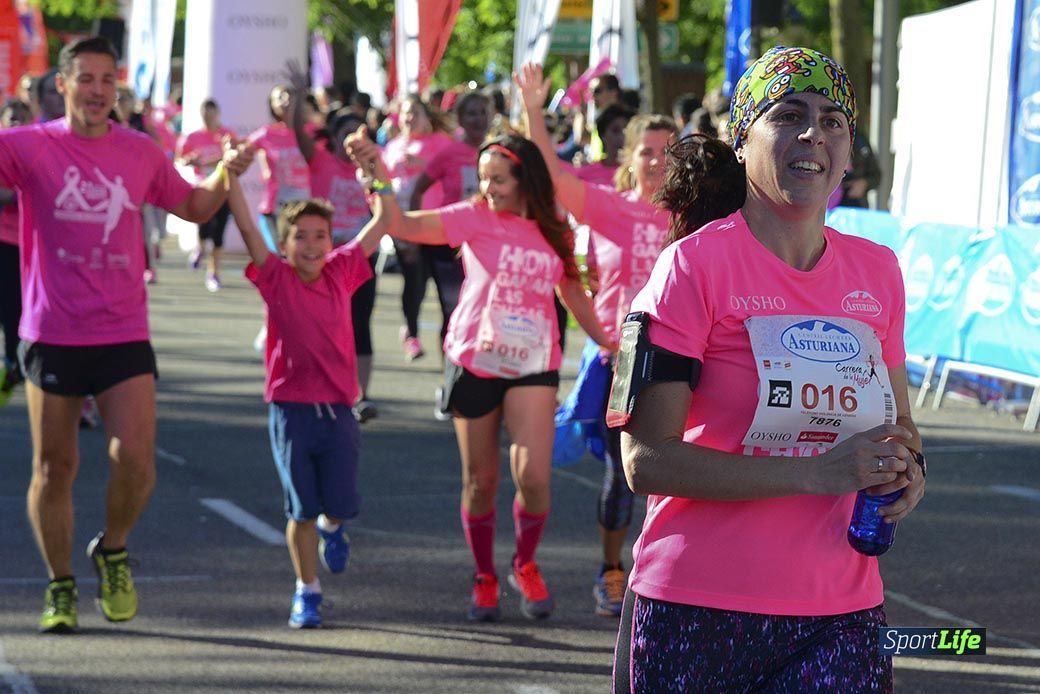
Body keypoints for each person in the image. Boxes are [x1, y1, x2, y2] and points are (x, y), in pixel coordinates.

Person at [609, 47, 927, 691]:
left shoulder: (877, 271)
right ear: (743, 135)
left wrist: (906, 472)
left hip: (843, 612)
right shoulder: (689, 268)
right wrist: (816, 473)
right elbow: (644, 461)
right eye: (789, 114)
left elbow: (903, 429)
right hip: (697, 609)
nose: (814, 133)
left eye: (834, 120)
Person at [0, 35, 253, 634]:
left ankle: (112, 549)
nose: (96, 91)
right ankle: (60, 585)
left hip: (121, 330)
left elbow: (192, 205)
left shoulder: (139, 152)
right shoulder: (28, 146)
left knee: (136, 462)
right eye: (84, 79)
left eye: (106, 80)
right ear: (61, 85)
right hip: (52, 330)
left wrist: (225, 172)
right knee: (54, 468)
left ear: (118, 87)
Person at [345, 130, 615, 623]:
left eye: (499, 180)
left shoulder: (554, 229)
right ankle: (484, 577)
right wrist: (378, 175)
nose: (488, 188)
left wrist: (609, 340)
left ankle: (525, 564)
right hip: (474, 360)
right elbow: (401, 223)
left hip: (533, 363)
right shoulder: (473, 216)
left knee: (534, 476)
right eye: (483, 178)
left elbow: (573, 294)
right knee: (481, 480)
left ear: (525, 180)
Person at [516, 63, 677, 618]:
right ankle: (611, 571)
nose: (657, 161)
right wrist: (535, 111)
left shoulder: (695, 217)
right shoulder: (608, 206)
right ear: (629, 157)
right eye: (647, 151)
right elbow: (553, 177)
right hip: (622, 362)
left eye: (667, 150)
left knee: (675, 474)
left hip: (681, 363)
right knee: (621, 473)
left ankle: (665, 577)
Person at [226, 148, 387, 629]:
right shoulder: (274, 276)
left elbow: (384, 222)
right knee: (300, 506)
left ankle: (333, 529)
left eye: (321, 235)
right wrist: (231, 176)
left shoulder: (341, 269)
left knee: (336, 504)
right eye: (301, 236)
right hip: (290, 411)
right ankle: (307, 590)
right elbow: (248, 226)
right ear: (285, 242)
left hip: (339, 409)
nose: (313, 245)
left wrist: (375, 173)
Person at [285, 61, 380, 424]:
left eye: (360, 134)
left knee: (360, 322)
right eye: (347, 134)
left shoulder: (373, 167)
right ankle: (319, 388)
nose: (353, 141)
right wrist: (297, 95)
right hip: (320, 257)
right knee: (321, 322)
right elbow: (297, 129)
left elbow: (386, 209)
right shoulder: (320, 160)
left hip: (359, 257)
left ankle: (362, 396)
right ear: (335, 136)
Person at [382, 94, 453, 361]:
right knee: (414, 282)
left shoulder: (442, 144)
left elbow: (453, 172)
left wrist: (424, 166)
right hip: (406, 227)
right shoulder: (392, 147)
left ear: (427, 117)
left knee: (444, 287)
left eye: (415, 112)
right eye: (406, 113)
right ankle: (411, 334)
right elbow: (383, 184)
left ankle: (450, 340)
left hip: (439, 225)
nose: (410, 117)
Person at [177, 99, 237, 291]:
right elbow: (181, 158)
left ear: (217, 114)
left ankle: (213, 273)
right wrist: (189, 160)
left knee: (218, 232)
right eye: (205, 114)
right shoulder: (192, 137)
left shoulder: (226, 135)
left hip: (223, 189)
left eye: (212, 114)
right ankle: (201, 249)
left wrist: (204, 162)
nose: (209, 118)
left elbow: (230, 157)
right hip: (202, 189)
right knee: (204, 227)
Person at [0, 99, 31, 406]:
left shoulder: (33, 152)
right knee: (7, 307)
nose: (18, 121)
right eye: (12, 117)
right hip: (2, 239)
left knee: (16, 308)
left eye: (23, 117)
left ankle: (14, 360)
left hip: (26, 243)